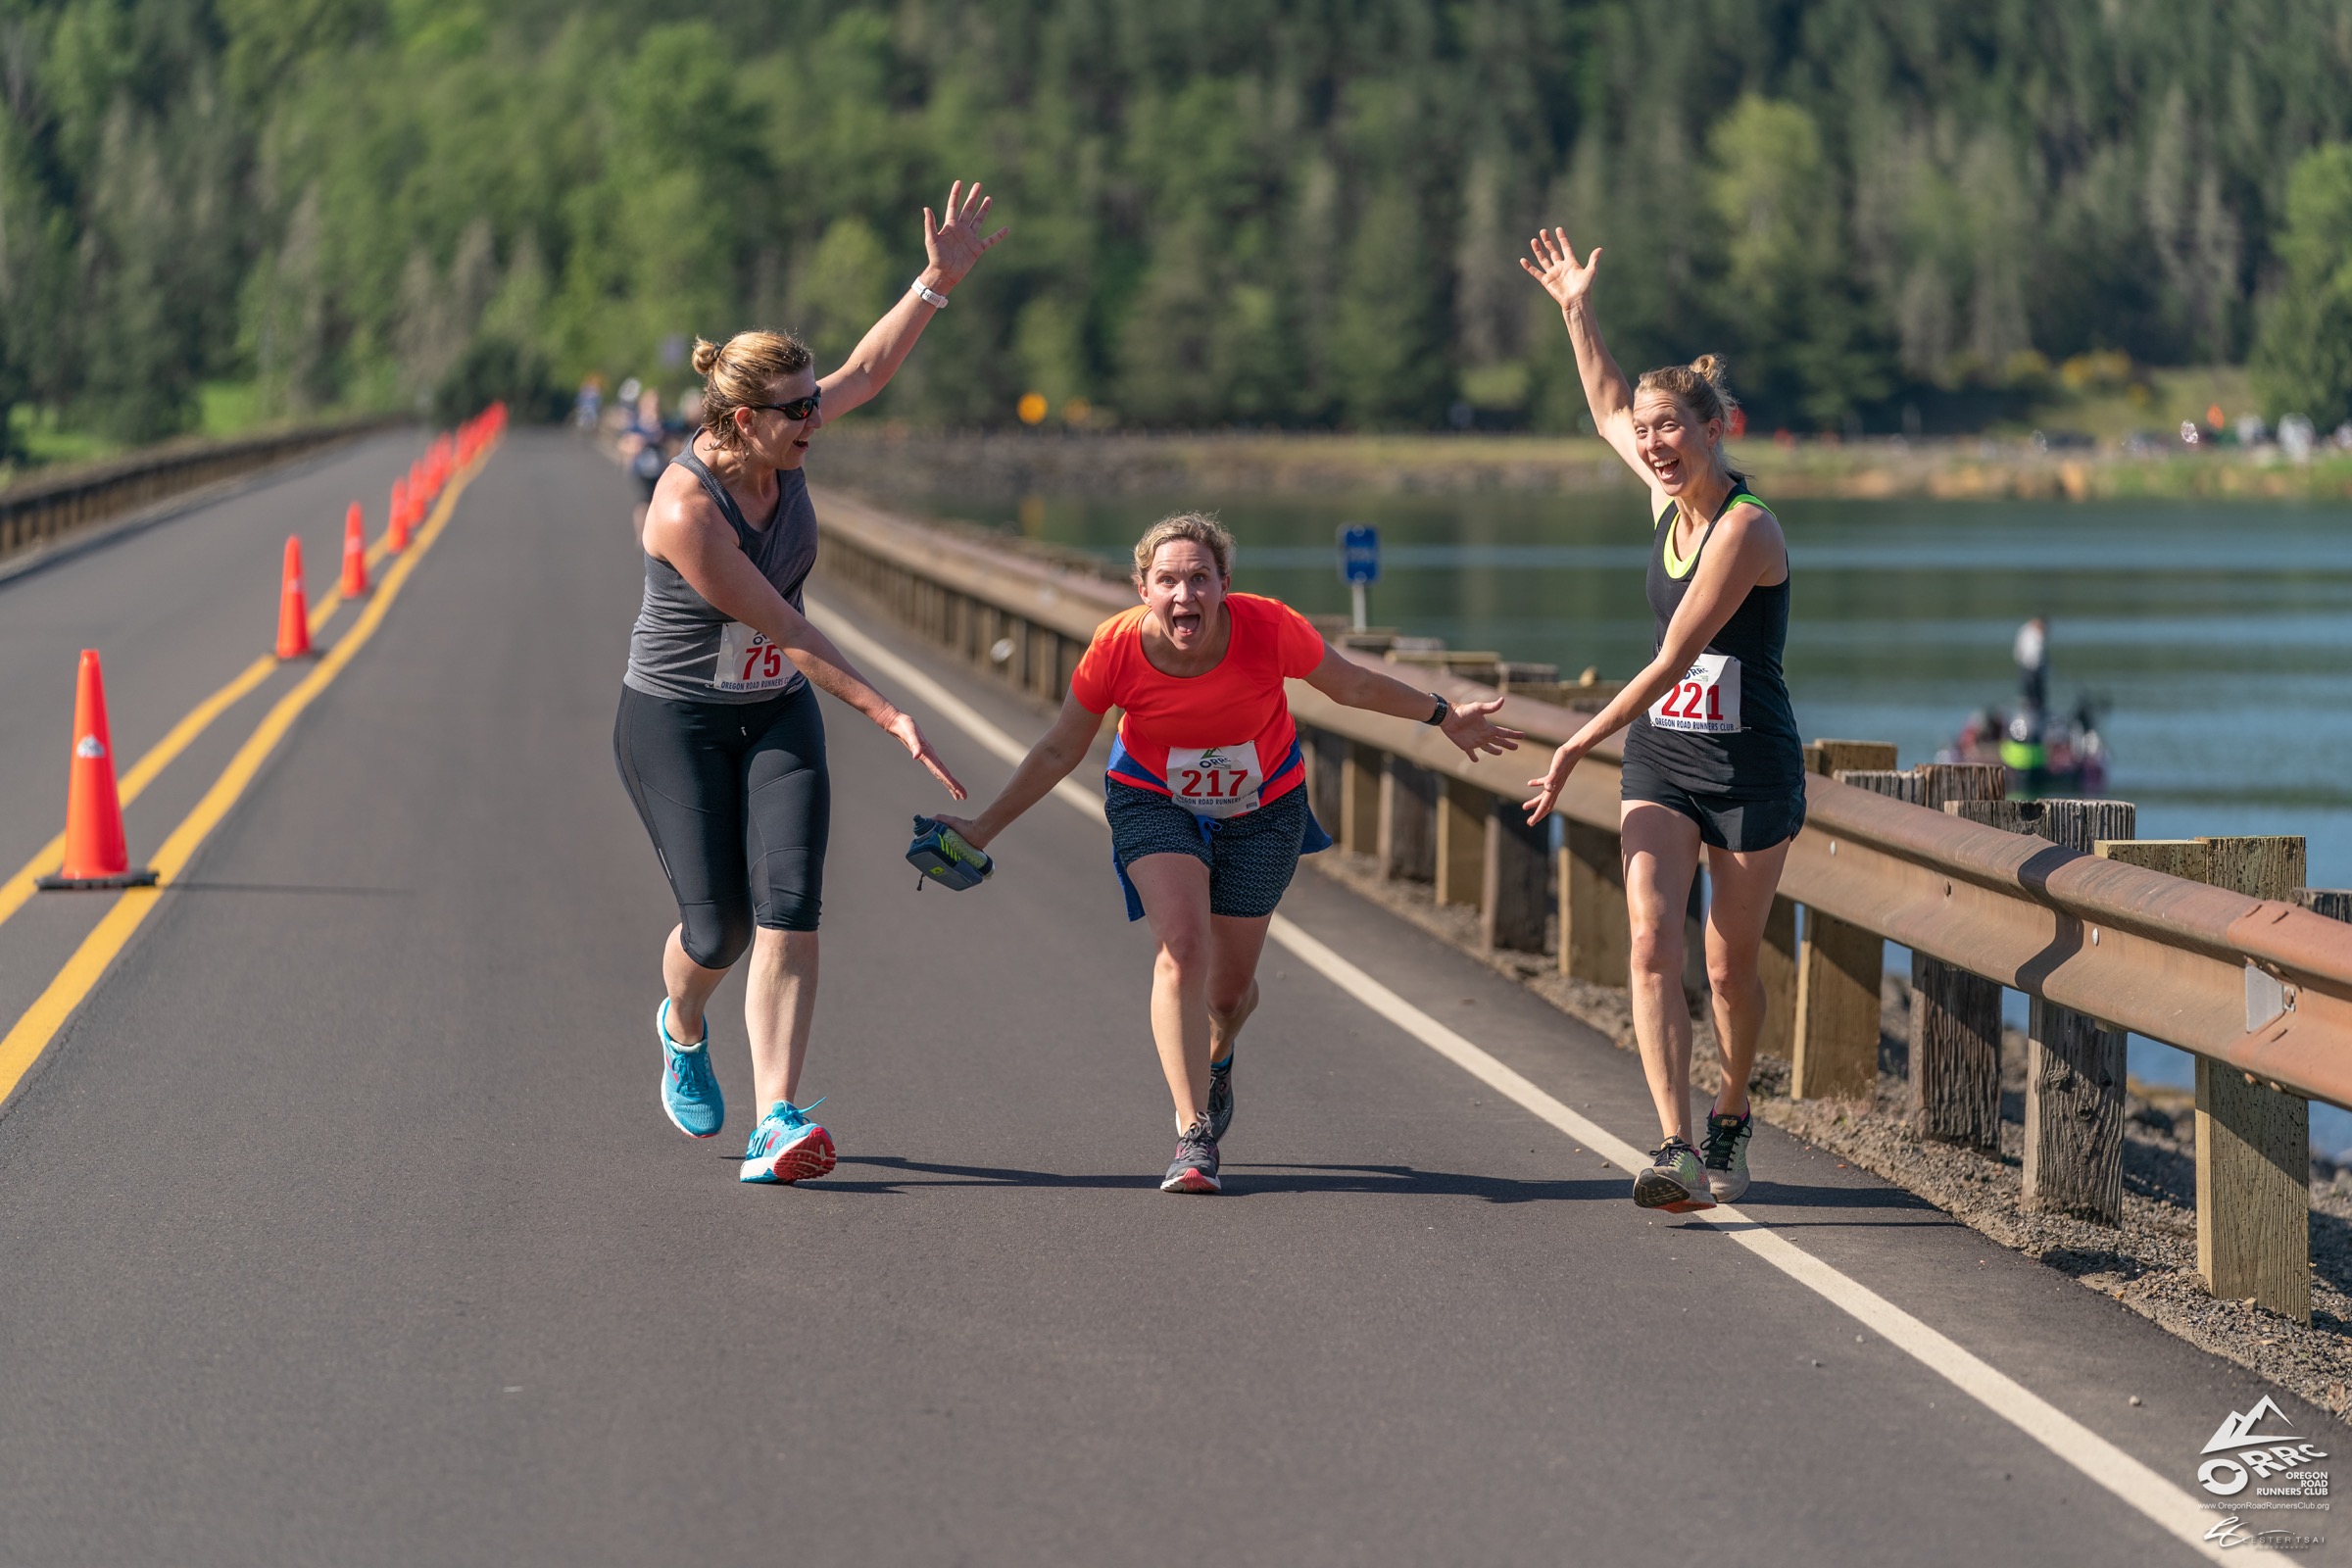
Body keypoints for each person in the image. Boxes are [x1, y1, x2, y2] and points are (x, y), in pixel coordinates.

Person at [931, 514, 1522, 1194]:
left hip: (1265, 806)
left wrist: (1445, 716)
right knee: (1181, 946)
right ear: (1143, 589)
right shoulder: (1116, 648)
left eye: (1199, 579)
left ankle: (1218, 1057)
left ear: (1223, 586)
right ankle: (1192, 1134)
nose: (1185, 596)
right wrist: (982, 829)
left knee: (1229, 993)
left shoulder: (1269, 627)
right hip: (1154, 797)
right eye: (1168, 581)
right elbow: (1061, 748)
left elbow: (1352, 685)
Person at [614, 179, 1006, 1185]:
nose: (814, 424)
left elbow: (869, 370)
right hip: (679, 721)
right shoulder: (683, 515)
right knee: (719, 929)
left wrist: (934, 283)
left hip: (774, 716)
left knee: (789, 906)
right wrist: (891, 712)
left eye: (812, 407)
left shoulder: (785, 435)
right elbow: (785, 627)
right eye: (796, 414)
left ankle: (775, 1118)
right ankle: (681, 1018)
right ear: (742, 419)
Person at [1518, 225, 1805, 1212]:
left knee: (1729, 970)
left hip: (1750, 767)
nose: (1651, 442)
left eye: (1669, 428)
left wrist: (1572, 740)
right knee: (1649, 938)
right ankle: (1676, 1144)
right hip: (1663, 757)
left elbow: (1678, 656)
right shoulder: (1664, 502)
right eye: (1647, 432)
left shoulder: (1746, 528)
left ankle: (1730, 1110)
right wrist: (1575, 309)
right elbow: (1600, 403)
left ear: (1714, 428)